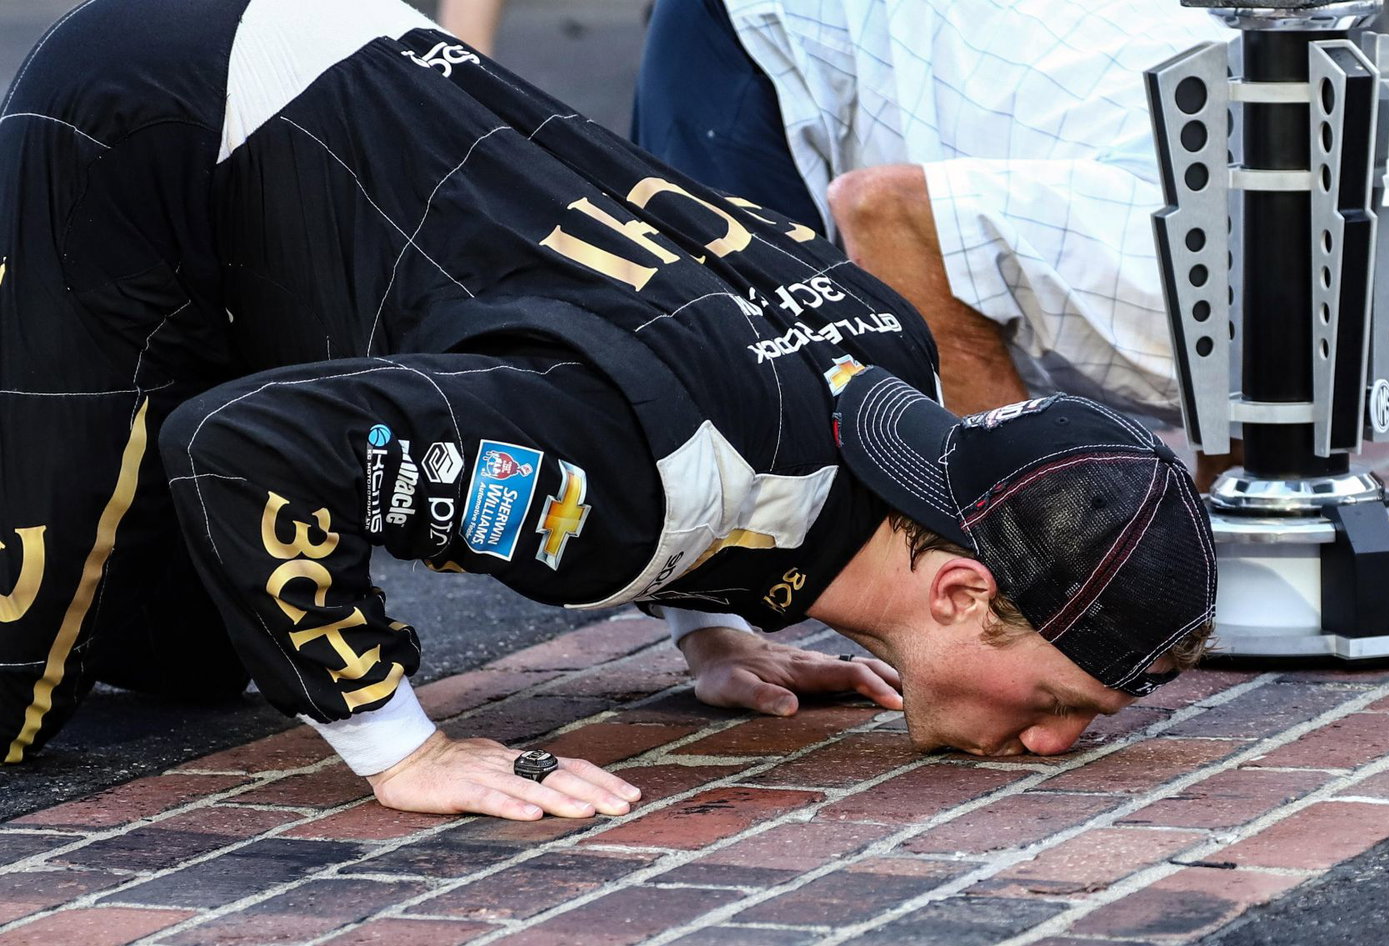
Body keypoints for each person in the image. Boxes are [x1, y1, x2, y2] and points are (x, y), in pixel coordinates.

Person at [0, 0, 1216, 820]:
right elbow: (242, 451)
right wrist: (403, 750)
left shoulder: (886, 356)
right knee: (18, 697)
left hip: (336, 107)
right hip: (166, 107)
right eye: (1062, 702)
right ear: (960, 589)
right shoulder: (624, 496)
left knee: (192, 651)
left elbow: (733, 430)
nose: (1054, 742)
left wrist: (716, 629)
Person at [632, 0, 1389, 524]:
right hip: (765, 38)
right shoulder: (1210, 280)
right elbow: (889, 219)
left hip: (943, 38)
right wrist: (1034, 539)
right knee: (746, 455)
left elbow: (1246, 391)